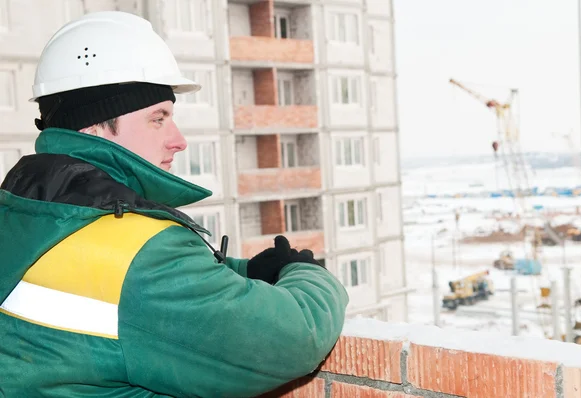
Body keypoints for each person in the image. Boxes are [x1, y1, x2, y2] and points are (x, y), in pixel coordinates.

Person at [0, 11, 348, 397]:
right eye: (158, 118)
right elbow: (295, 338)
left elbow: (110, 286)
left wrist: (245, 271)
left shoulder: (25, 209)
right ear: (94, 126)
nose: (178, 140)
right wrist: (307, 273)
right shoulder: (143, 256)